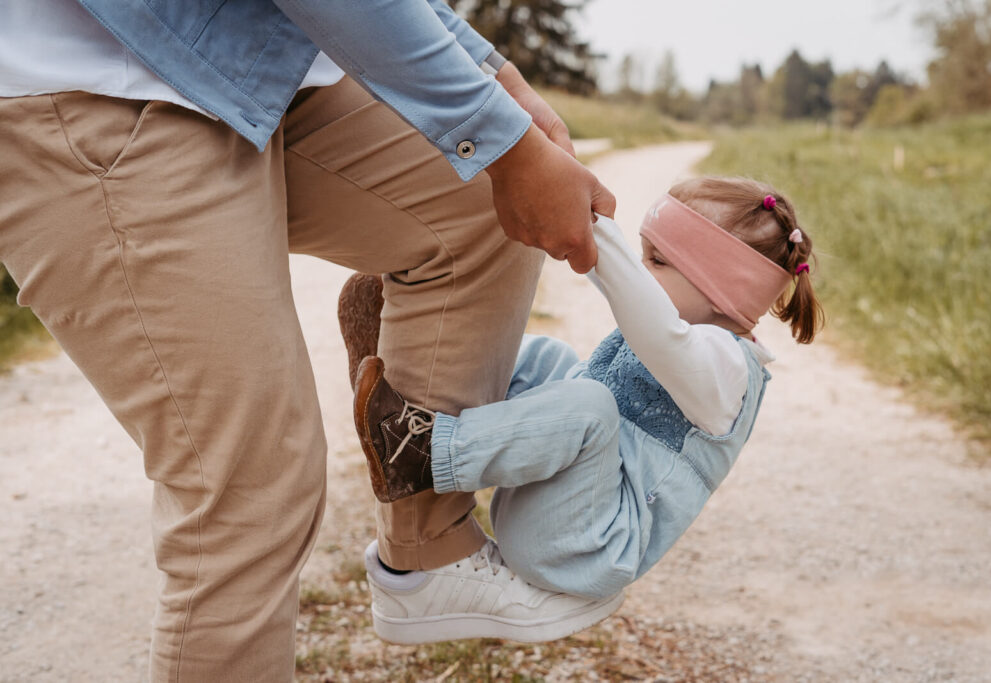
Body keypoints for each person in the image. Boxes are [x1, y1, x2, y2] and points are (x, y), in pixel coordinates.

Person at [0, 0, 618, 680]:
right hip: (93, 83)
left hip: (253, 58)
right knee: (249, 495)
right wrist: (499, 135)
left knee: (475, 195)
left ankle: (429, 547)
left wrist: (496, 77)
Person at [352, 177, 824, 605]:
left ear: (720, 291)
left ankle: (420, 454)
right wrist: (567, 214)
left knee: (590, 405)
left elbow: (652, 322)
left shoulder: (726, 370)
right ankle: (408, 367)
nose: (640, 270)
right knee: (548, 358)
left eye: (656, 260)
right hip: (566, 503)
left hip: (583, 546)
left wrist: (597, 235)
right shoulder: (696, 338)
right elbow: (642, 302)